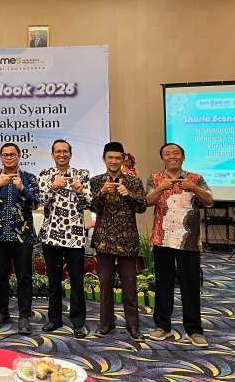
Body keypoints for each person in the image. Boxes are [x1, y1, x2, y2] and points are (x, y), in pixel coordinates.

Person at [146, 142, 214, 347]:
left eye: (176, 153)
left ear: (183, 157)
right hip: (163, 239)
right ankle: (162, 326)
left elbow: (210, 200)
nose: (172, 157)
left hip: (188, 241)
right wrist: (161, 188)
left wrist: (193, 188)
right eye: (167, 154)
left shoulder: (196, 178)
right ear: (162, 158)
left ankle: (194, 330)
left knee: (190, 285)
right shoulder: (155, 178)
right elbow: (148, 201)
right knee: (163, 284)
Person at [89, 142, 146, 340]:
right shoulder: (96, 181)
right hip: (104, 240)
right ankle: (106, 324)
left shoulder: (133, 181)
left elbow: (141, 207)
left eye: (117, 158)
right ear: (104, 159)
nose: (114, 161)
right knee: (105, 286)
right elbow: (92, 207)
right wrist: (102, 193)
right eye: (110, 157)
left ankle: (133, 326)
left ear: (122, 160)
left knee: (130, 286)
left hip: (127, 240)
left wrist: (128, 195)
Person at [38, 139, 92, 338]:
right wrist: (53, 187)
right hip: (51, 235)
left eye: (65, 151)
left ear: (71, 154)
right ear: (52, 154)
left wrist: (80, 192)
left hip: (75, 236)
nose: (62, 154)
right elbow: (39, 201)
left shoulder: (82, 175)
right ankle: (54, 319)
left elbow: (89, 203)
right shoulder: (45, 175)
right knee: (54, 281)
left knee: (77, 280)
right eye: (58, 151)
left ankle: (78, 322)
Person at [0, 142, 40, 335]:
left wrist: (22, 188)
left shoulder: (29, 178)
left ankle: (24, 316)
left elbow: (35, 203)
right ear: (1, 157)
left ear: (18, 156)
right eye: (5, 155)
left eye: (12, 154)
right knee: (0, 276)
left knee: (24, 277)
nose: (9, 158)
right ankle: (3, 312)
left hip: (23, 236)